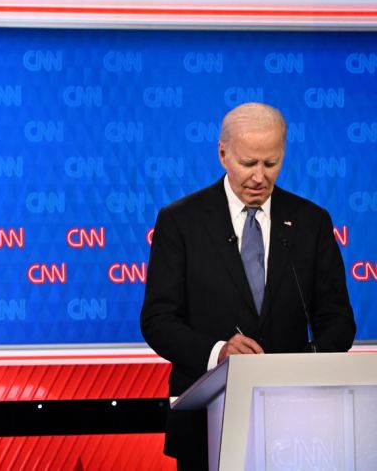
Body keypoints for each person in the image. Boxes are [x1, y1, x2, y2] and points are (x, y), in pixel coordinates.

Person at [140, 102, 356, 470]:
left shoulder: (311, 221)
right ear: (223, 154)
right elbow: (158, 320)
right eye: (248, 163)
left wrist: (300, 366)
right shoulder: (180, 221)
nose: (259, 177)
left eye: (270, 164)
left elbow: (338, 322)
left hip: (297, 423)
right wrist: (219, 352)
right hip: (206, 422)